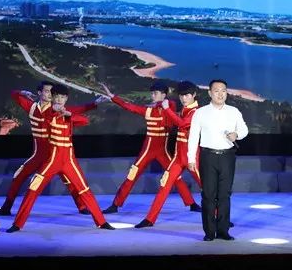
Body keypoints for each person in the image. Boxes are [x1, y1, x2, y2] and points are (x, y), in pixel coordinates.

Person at [7, 85, 113, 232]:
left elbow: (84, 120)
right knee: (33, 188)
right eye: (56, 97)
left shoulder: (67, 112)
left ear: (66, 99)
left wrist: (69, 114)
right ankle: (17, 224)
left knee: (85, 190)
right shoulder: (47, 113)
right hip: (52, 160)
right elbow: (47, 117)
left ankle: (101, 222)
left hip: (69, 160)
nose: (59, 100)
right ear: (52, 98)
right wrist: (56, 112)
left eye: (62, 97)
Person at [100, 81, 199, 215]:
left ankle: (191, 203)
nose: (152, 96)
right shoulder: (148, 110)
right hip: (147, 150)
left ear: (164, 95)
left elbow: (171, 107)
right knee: (132, 175)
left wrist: (161, 105)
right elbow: (129, 107)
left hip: (163, 151)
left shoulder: (169, 107)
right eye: (151, 93)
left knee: (176, 178)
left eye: (155, 93)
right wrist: (113, 97)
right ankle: (115, 204)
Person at [134, 81, 203, 228]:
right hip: (178, 158)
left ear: (194, 95)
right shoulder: (185, 109)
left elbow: (182, 124)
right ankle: (150, 219)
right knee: (164, 185)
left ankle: (220, 217)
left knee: (206, 188)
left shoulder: (196, 112)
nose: (183, 98)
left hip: (191, 158)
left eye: (187, 95)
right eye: (181, 96)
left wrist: (166, 109)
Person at [187, 79, 248, 241]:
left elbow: (244, 129)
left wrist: (237, 135)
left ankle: (223, 231)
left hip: (227, 157)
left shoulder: (233, 111)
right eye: (216, 91)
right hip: (208, 157)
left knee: (224, 195)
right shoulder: (201, 112)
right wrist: (191, 158)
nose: (220, 94)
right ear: (210, 93)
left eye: (223, 91)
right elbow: (193, 136)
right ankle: (209, 232)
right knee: (208, 195)